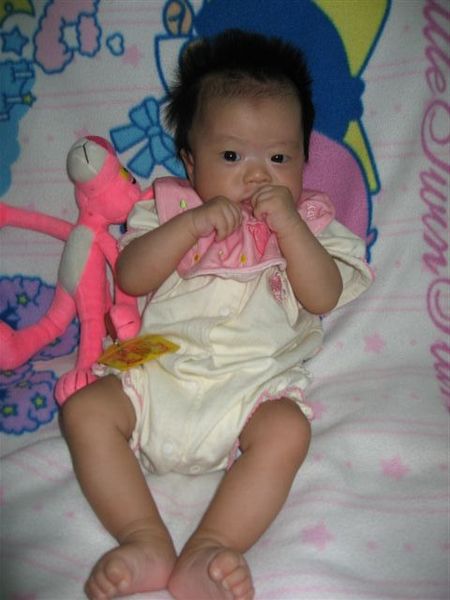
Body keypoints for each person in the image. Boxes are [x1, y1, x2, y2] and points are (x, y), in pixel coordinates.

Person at [61, 29, 373, 600]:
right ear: (190, 161)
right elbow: (130, 276)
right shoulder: (170, 209)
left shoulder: (312, 224)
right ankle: (144, 537)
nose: (258, 175)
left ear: (305, 160)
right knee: (84, 412)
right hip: (158, 375)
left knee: (289, 430)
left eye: (279, 157)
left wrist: (291, 228)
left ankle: (210, 545)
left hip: (251, 392)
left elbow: (323, 296)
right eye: (231, 156)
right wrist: (189, 227)